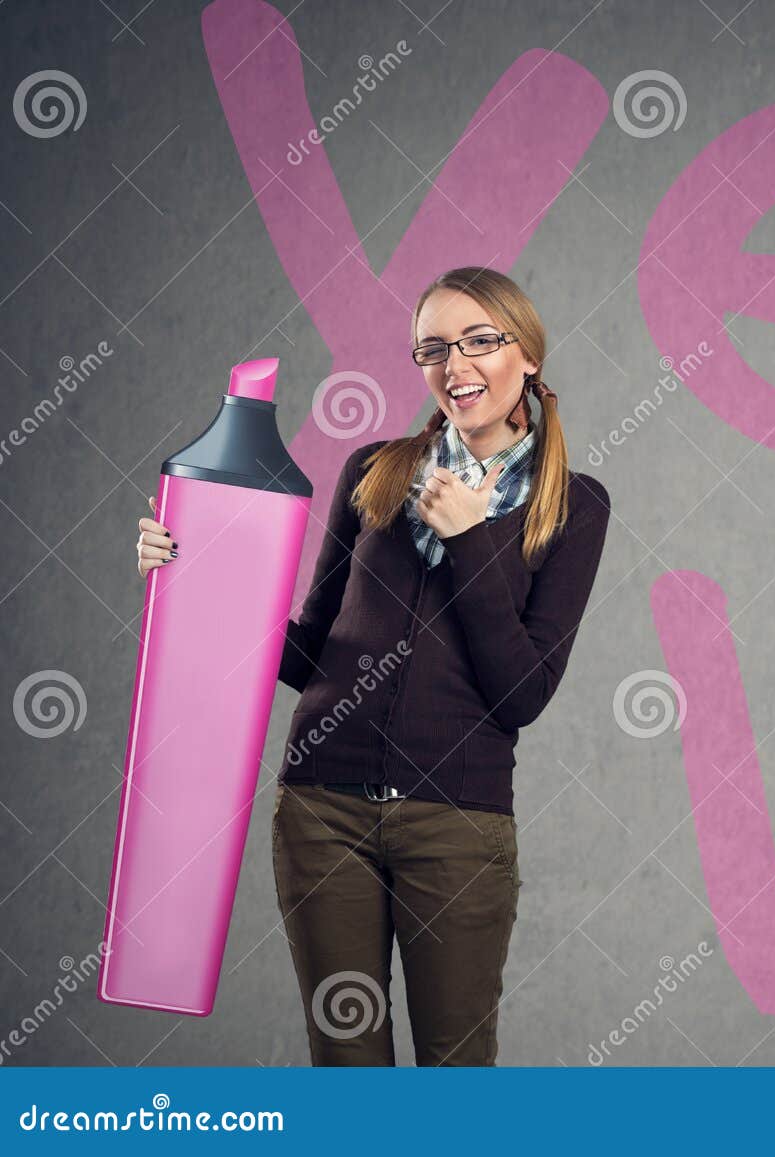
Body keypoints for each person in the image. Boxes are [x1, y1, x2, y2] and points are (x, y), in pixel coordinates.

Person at [134, 266, 612, 1064]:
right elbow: (314, 649)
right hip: (322, 813)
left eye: (480, 341)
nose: (456, 367)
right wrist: (191, 580)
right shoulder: (375, 470)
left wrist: (469, 540)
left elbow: (522, 692)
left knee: (454, 1075)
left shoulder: (572, 504)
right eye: (434, 348)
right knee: (348, 1068)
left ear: (527, 352)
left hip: (457, 824)